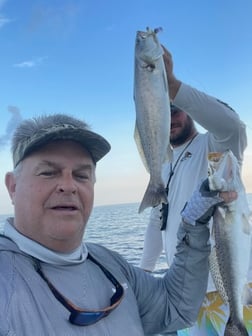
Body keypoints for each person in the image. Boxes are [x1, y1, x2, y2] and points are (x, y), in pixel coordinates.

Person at [0, 113, 235, 336]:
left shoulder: (109, 263)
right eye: (49, 172)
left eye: (81, 175)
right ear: (12, 186)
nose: (68, 185)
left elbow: (175, 307)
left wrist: (193, 225)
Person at [140, 46, 251, 335]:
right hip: (185, 295)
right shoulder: (164, 169)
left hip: (231, 289)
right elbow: (156, 225)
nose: (173, 117)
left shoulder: (215, 147)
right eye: (166, 112)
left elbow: (232, 126)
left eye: (177, 109)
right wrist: (143, 275)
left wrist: (173, 86)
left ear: (189, 112)